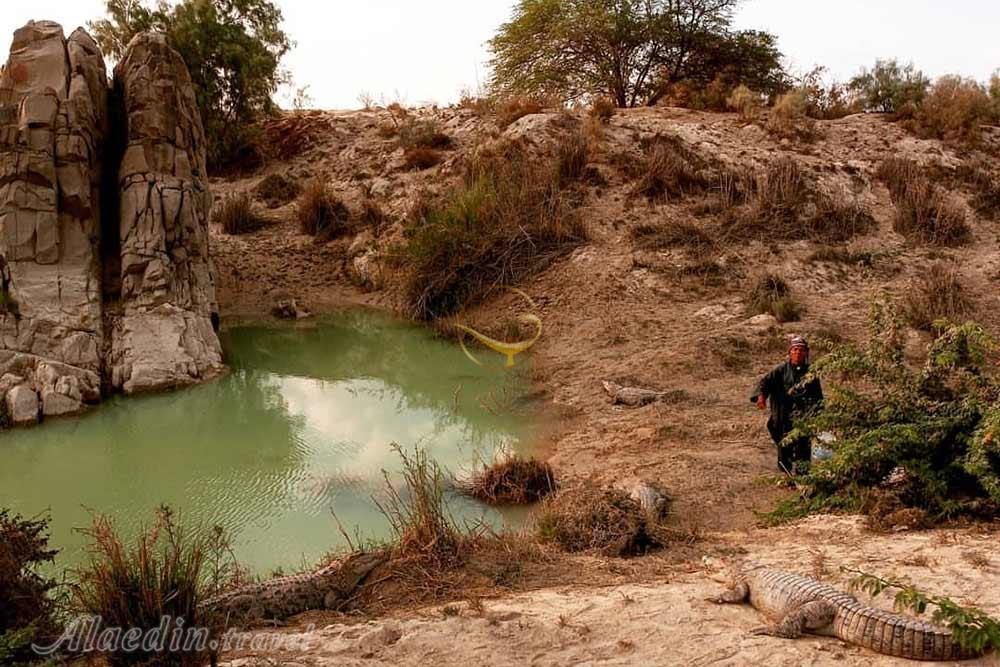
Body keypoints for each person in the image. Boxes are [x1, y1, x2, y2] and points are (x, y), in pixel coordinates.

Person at [751, 336, 823, 475]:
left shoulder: (811, 373)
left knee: (803, 446)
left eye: (801, 350)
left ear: (806, 353)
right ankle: (787, 474)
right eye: (795, 349)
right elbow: (765, 383)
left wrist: (819, 415)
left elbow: (818, 396)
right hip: (783, 416)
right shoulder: (781, 370)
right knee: (784, 445)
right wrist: (761, 397)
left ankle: (804, 477)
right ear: (790, 352)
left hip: (803, 417)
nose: (798, 353)